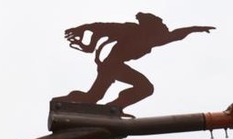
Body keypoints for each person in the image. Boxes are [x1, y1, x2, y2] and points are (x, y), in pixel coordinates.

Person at [56, 12, 213, 112]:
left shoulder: (153, 39)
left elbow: (176, 35)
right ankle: (111, 107)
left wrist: (195, 28)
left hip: (112, 66)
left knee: (94, 96)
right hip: (112, 65)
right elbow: (102, 27)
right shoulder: (130, 30)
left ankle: (107, 106)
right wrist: (80, 29)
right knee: (144, 87)